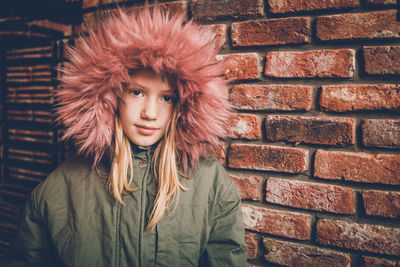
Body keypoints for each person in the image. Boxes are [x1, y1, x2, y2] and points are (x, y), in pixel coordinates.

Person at [1, 5, 248, 267]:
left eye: (167, 97)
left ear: (184, 105)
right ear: (111, 95)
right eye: (136, 92)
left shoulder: (211, 185)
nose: (150, 113)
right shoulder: (60, 187)